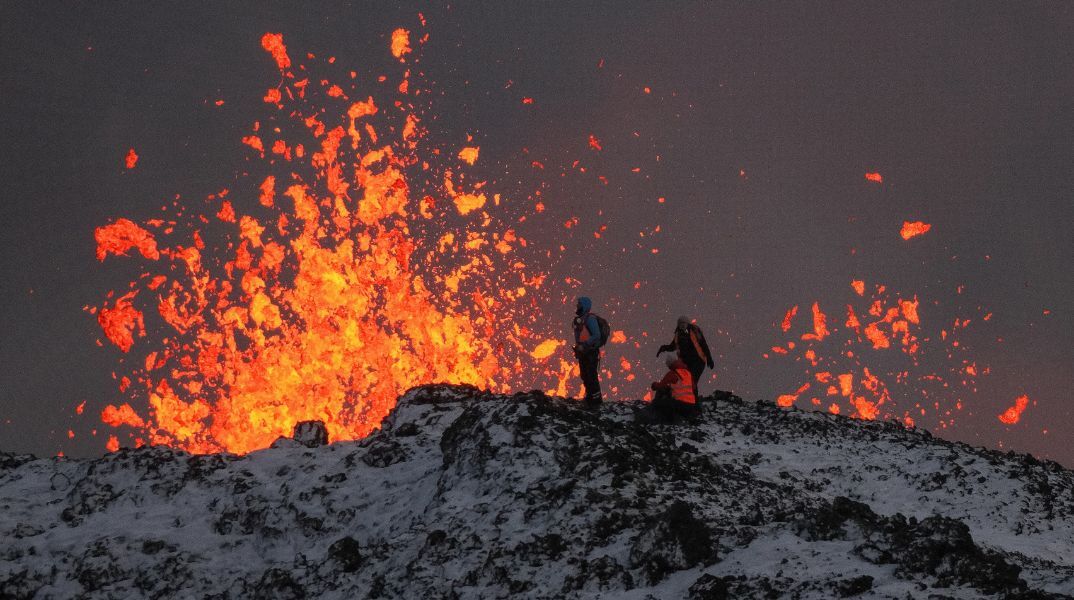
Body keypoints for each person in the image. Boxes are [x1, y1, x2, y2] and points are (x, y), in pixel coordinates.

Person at [657, 315, 714, 398]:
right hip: (687, 363)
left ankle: (694, 403)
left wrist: (709, 358)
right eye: (680, 323)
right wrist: (663, 348)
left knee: (692, 381)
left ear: (687, 323)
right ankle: (691, 401)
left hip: (698, 361)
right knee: (688, 382)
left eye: (684, 323)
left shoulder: (694, 331)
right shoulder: (678, 335)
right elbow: (673, 346)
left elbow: (703, 344)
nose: (682, 325)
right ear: (678, 325)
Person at [649, 353, 698, 422]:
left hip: (679, 405)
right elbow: (694, 388)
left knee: (658, 402)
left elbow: (660, 386)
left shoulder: (673, 373)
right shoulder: (688, 373)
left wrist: (654, 385)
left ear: (670, 365)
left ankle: (667, 420)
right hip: (691, 406)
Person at [572, 296, 602, 405]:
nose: (577, 306)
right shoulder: (581, 319)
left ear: (584, 306)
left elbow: (597, 335)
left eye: (579, 304)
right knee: (585, 375)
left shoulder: (590, 319)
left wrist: (585, 345)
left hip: (590, 352)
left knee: (591, 375)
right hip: (583, 352)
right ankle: (590, 397)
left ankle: (596, 400)